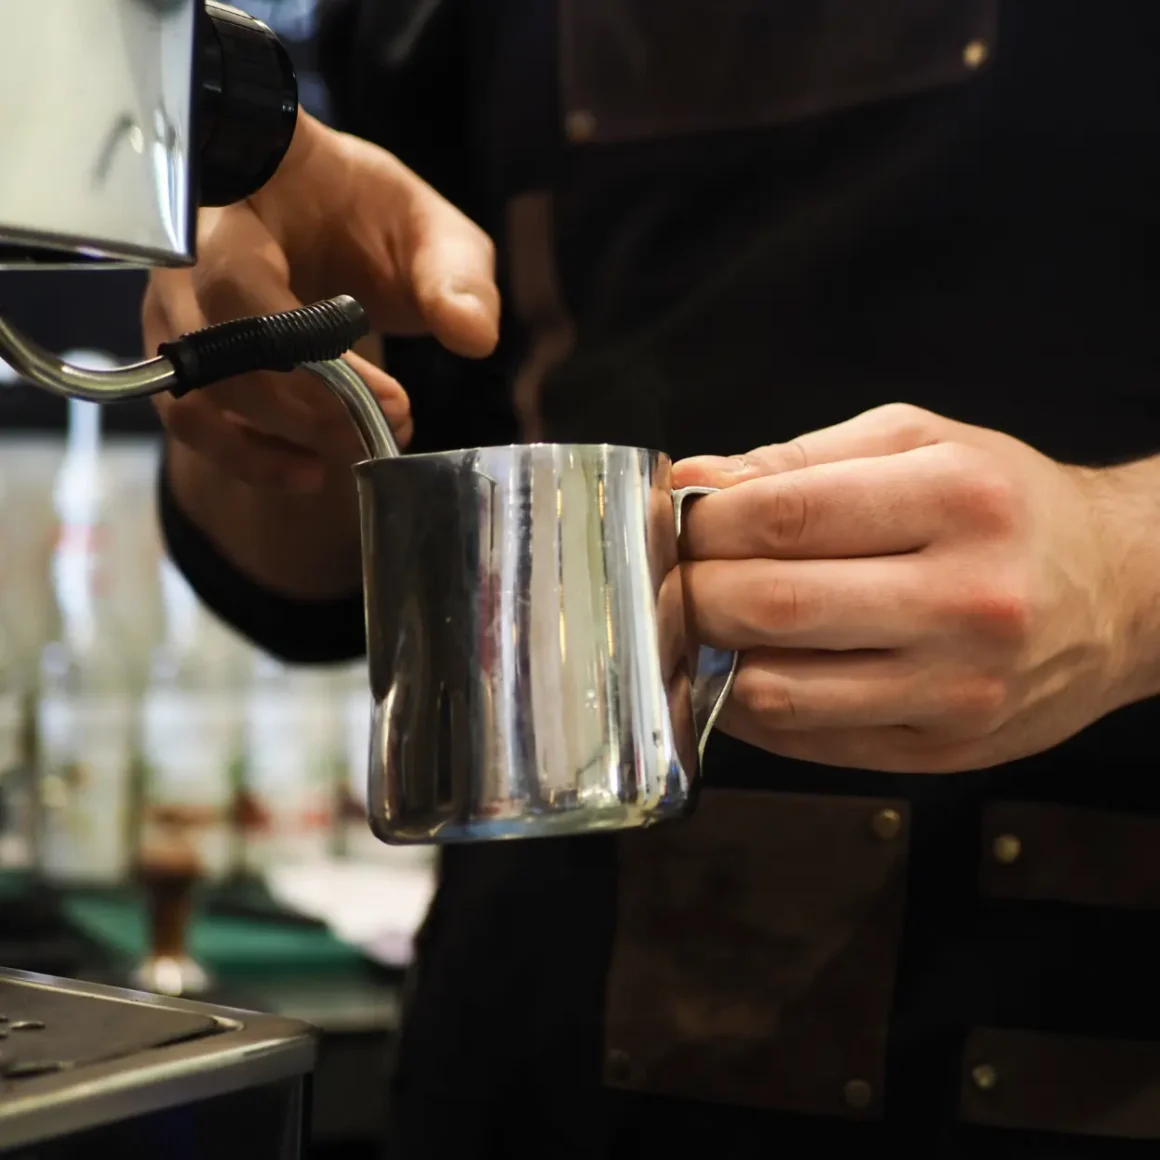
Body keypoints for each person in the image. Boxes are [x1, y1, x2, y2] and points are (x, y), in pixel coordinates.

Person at [145, 1, 1160, 1155]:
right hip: (540, 1047)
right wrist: (267, 375)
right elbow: (314, 575)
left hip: (1071, 1033)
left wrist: (1128, 571)